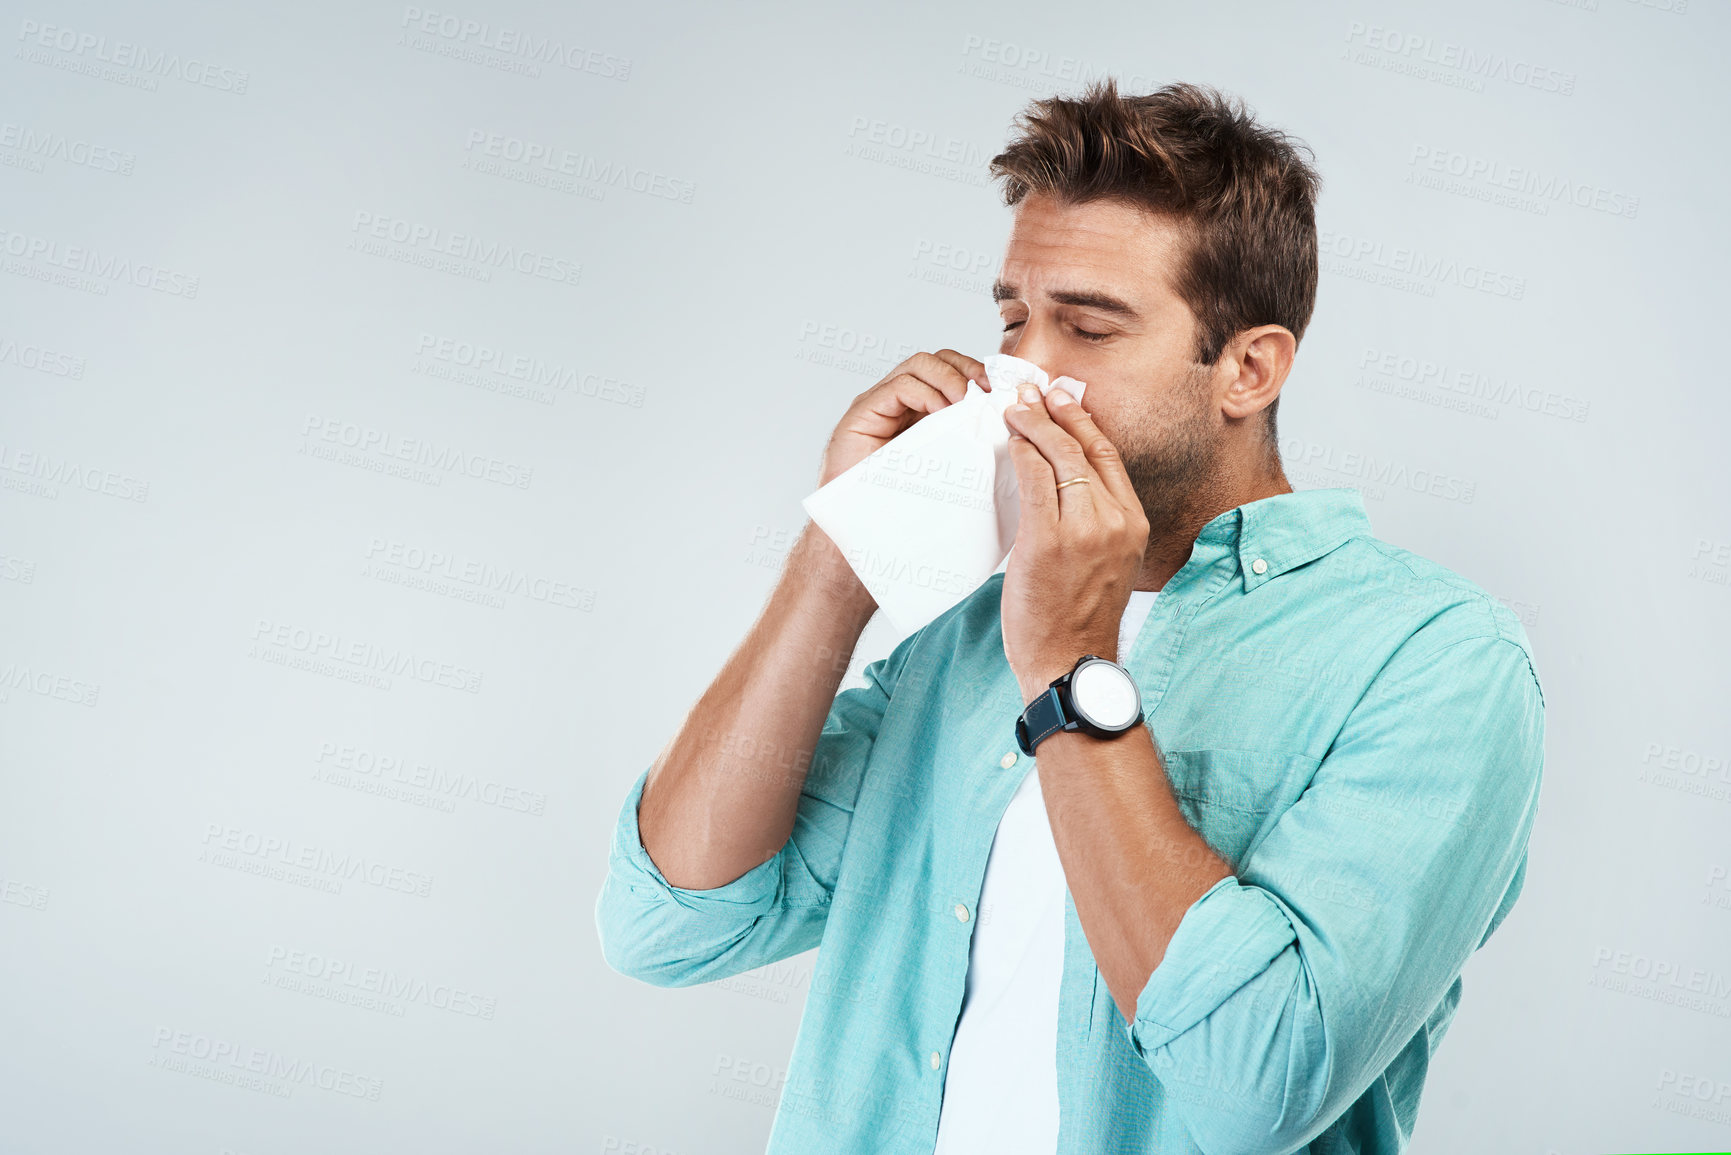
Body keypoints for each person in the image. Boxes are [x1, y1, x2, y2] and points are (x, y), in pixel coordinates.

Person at [594, 77, 1545, 1155]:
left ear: (1248, 368)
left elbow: (1256, 1089)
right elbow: (669, 923)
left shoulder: (1436, 663)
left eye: (1088, 329)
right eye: (1013, 320)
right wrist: (841, 551)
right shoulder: (961, 640)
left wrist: (1068, 669)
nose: (1025, 375)